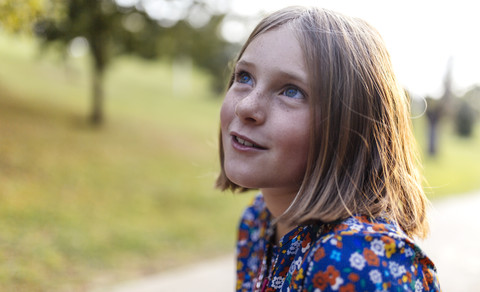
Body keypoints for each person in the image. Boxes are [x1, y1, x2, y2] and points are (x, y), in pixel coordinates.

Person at [216, 6, 440, 292]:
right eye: (244, 77)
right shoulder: (258, 221)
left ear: (351, 127)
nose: (245, 106)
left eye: (291, 91)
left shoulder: (358, 263)